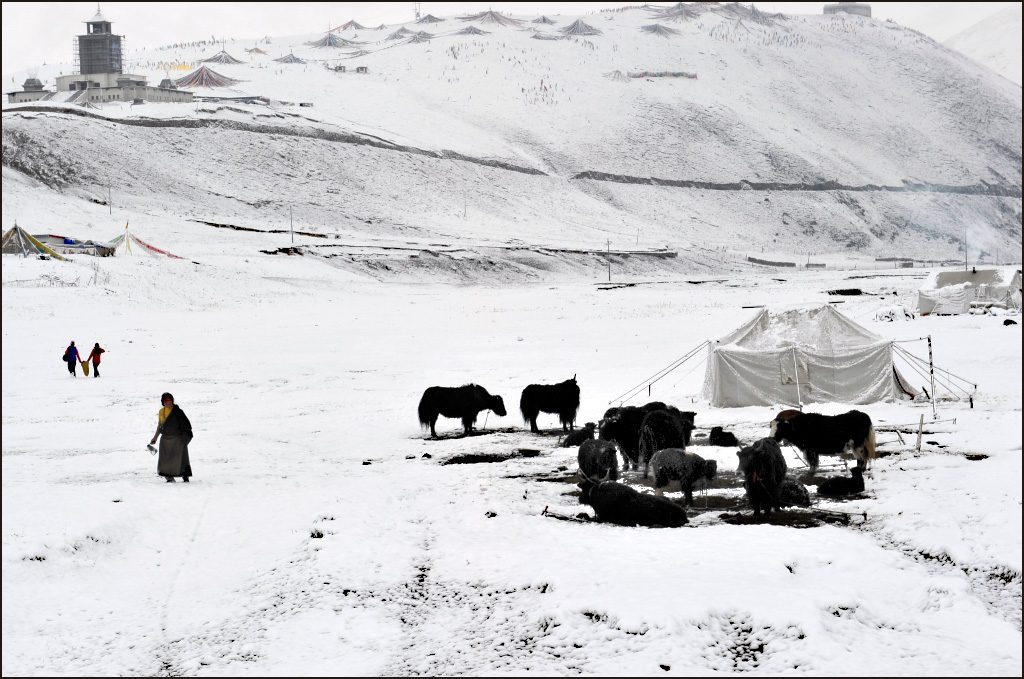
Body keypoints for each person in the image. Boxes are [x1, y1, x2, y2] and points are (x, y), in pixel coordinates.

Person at [150, 392, 193, 483]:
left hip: (177, 439)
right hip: (165, 439)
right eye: (166, 400)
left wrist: (184, 437)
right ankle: (169, 477)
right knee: (165, 459)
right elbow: (160, 426)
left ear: (172, 401)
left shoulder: (178, 411)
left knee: (181, 458)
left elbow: (186, 425)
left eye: (170, 400)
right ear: (163, 402)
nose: (168, 402)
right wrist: (155, 438)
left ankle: (185, 476)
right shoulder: (161, 412)